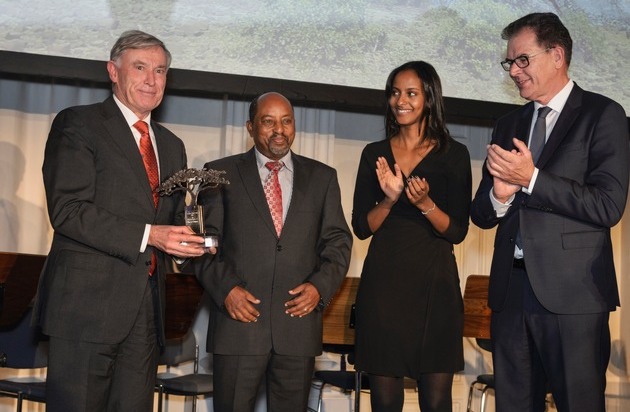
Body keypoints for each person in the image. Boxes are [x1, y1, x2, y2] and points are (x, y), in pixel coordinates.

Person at [33, 30, 208, 412]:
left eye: (160, 70)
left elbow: (171, 222)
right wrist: (152, 234)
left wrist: (193, 242)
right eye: (140, 68)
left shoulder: (172, 144)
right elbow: (68, 210)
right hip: (85, 311)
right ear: (113, 71)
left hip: (145, 315)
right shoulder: (78, 124)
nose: (151, 80)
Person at [470, 12, 629, 412]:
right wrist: (501, 195)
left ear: (557, 55)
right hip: (511, 295)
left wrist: (533, 178)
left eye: (522, 60)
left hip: (573, 297)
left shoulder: (603, 115)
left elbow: (608, 205)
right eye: (509, 63)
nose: (514, 71)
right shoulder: (509, 123)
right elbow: (481, 214)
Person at [195, 91, 352, 412]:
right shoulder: (218, 174)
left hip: (297, 327)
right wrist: (225, 291)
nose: (279, 129)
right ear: (251, 127)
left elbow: (338, 243)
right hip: (238, 326)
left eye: (286, 121)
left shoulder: (323, 178)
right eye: (268, 122)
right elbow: (204, 243)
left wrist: (319, 288)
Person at [352, 61, 472, 412]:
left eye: (411, 93)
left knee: (436, 402)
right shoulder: (374, 154)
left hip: (435, 289)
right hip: (384, 289)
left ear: (429, 99)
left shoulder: (454, 154)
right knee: (385, 402)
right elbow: (362, 227)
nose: (400, 100)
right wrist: (390, 198)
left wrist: (426, 203)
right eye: (395, 92)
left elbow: (458, 231)